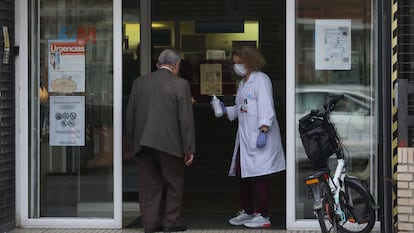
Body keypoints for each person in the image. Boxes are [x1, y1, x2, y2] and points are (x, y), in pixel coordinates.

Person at [213, 46, 286, 228]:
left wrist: (263, 130)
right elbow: (242, 108)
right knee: (241, 172)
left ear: (250, 61)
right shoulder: (243, 84)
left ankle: (263, 215)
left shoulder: (261, 79)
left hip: (261, 135)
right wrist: (224, 110)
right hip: (245, 137)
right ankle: (246, 211)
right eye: (235, 63)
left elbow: (266, 106)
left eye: (240, 62)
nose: (237, 66)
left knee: (260, 176)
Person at [126, 49, 196, 233]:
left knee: (149, 185)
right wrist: (189, 148)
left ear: (158, 65)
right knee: (174, 183)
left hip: (144, 143)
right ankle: (170, 222)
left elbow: (130, 116)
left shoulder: (139, 83)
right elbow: (186, 121)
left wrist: (132, 144)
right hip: (170, 144)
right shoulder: (181, 85)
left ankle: (149, 224)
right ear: (176, 65)